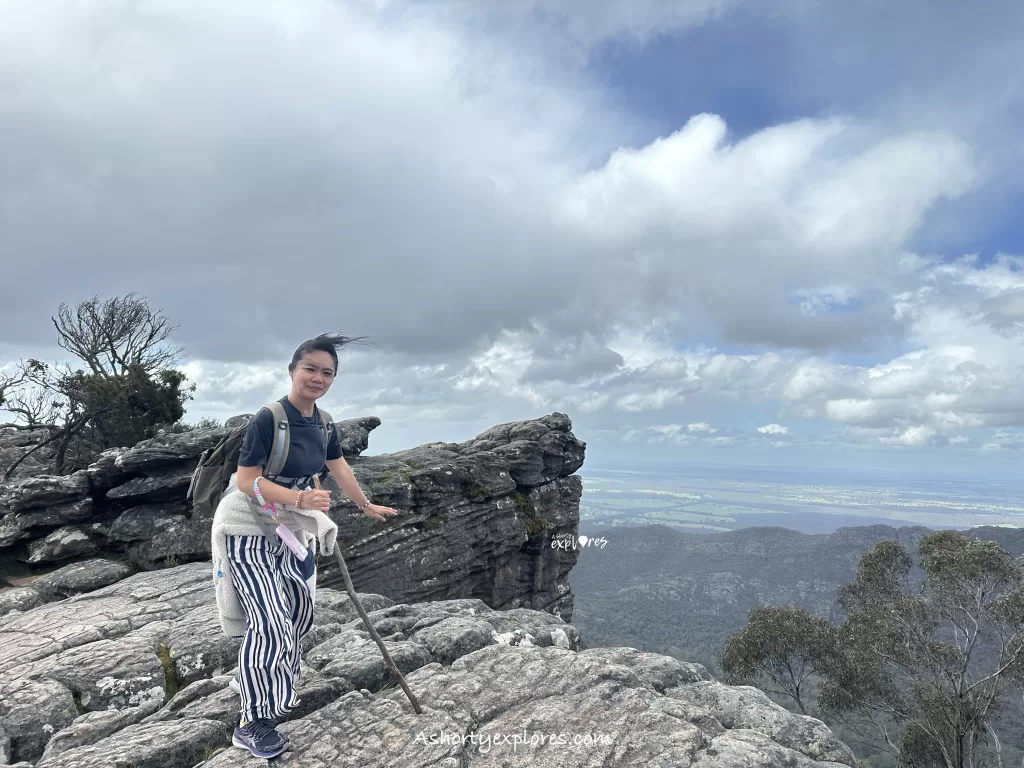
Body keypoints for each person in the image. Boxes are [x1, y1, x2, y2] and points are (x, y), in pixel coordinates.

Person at [211, 333, 399, 759]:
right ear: (293, 370)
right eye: (310, 368)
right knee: (271, 622)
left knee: (297, 612)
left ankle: (256, 675)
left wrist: (365, 504)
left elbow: (338, 465)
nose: (318, 377)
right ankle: (253, 721)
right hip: (247, 526)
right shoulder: (269, 418)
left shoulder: (324, 422)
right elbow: (246, 481)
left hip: (289, 530)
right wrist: (299, 499)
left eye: (327, 372)